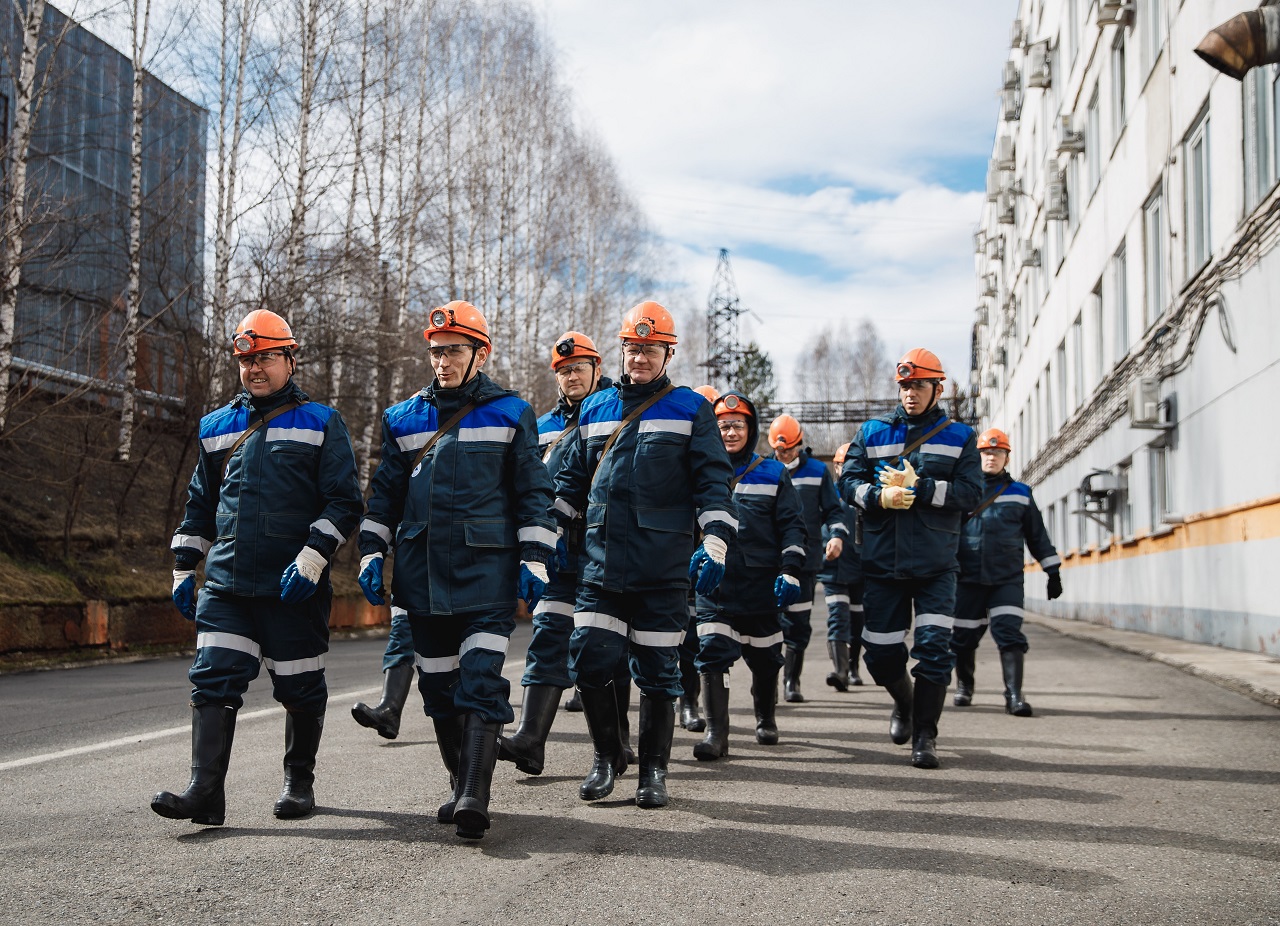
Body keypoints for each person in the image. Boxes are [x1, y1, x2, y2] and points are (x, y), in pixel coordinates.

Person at [153, 309, 363, 826]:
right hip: (227, 583)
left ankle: (298, 780)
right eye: (246, 359)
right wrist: (185, 566)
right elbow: (200, 504)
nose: (255, 368)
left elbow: (344, 502)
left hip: (294, 584)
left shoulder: (321, 422)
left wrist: (313, 558)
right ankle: (205, 793)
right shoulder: (217, 427)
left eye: (266, 357)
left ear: (290, 358)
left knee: (299, 686)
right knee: (212, 678)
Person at [357, 300, 556, 840]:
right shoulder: (402, 419)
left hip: (486, 573)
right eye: (436, 351)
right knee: (439, 691)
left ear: (480, 353)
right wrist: (372, 551)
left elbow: (534, 494)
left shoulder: (512, 413)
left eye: (453, 351)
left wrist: (534, 556)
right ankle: (458, 784)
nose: (442, 361)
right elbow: (384, 498)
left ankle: (474, 795)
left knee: (481, 681)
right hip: (421, 578)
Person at [552, 301, 737, 808]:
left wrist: (716, 539)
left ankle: (653, 773)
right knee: (589, 660)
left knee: (657, 671)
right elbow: (569, 482)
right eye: (632, 349)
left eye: (649, 350)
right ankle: (607, 756)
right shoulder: (595, 408)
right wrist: (545, 538)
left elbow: (714, 482)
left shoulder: (690, 409)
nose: (638, 359)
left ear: (668, 353)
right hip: (600, 562)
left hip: (662, 566)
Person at [838, 348, 981, 769]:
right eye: (904, 386)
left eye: (918, 385)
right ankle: (905, 702)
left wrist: (925, 488)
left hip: (937, 566)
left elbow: (971, 494)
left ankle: (925, 736)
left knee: (935, 649)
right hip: (882, 564)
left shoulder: (960, 437)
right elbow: (848, 483)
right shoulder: (873, 431)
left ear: (938, 387)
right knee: (880, 655)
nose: (910, 394)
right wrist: (878, 496)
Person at [497, 330, 630, 776]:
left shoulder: (620, 410)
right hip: (557, 552)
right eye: (562, 370)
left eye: (578, 368)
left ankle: (619, 743)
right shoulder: (543, 425)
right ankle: (530, 740)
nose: (570, 376)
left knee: (606, 649)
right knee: (549, 637)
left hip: (605, 551)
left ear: (597, 368)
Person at [692, 391, 807, 759]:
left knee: (766, 658)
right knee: (712, 653)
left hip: (761, 587)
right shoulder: (698, 471)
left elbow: (792, 526)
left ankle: (765, 716)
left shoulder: (773, 473)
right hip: (715, 585)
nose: (729, 432)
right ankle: (716, 735)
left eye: (737, 425)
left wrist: (790, 571)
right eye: (723, 425)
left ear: (751, 428)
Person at [952, 428, 1062, 716]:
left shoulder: (1021, 494)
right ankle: (964, 686)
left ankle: (1014, 695)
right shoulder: (963, 493)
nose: (991, 457)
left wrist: (1053, 572)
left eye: (997, 452)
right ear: (977, 457)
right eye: (986, 453)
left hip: (1007, 579)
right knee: (962, 637)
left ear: (1006, 457)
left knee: (1009, 634)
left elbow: (1037, 535)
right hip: (967, 578)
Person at [767, 414, 848, 703]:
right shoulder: (763, 470)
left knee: (798, 623)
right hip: (769, 561)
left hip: (805, 560)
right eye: (778, 450)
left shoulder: (817, 471)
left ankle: (792, 680)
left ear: (799, 444)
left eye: (788, 449)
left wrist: (837, 535)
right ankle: (768, 683)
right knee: (770, 623)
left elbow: (833, 510)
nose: (783, 454)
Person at [676, 383, 724, 735]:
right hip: (673, 554)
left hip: (709, 560)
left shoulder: (729, 463)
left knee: (696, 639)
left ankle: (691, 704)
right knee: (674, 637)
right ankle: (682, 701)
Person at [819, 442, 865, 690]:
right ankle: (840, 671)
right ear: (835, 467)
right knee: (838, 617)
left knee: (858, 620)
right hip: (833, 567)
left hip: (861, 567)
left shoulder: (865, 493)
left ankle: (854, 666)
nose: (845, 468)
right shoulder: (829, 494)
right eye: (840, 464)